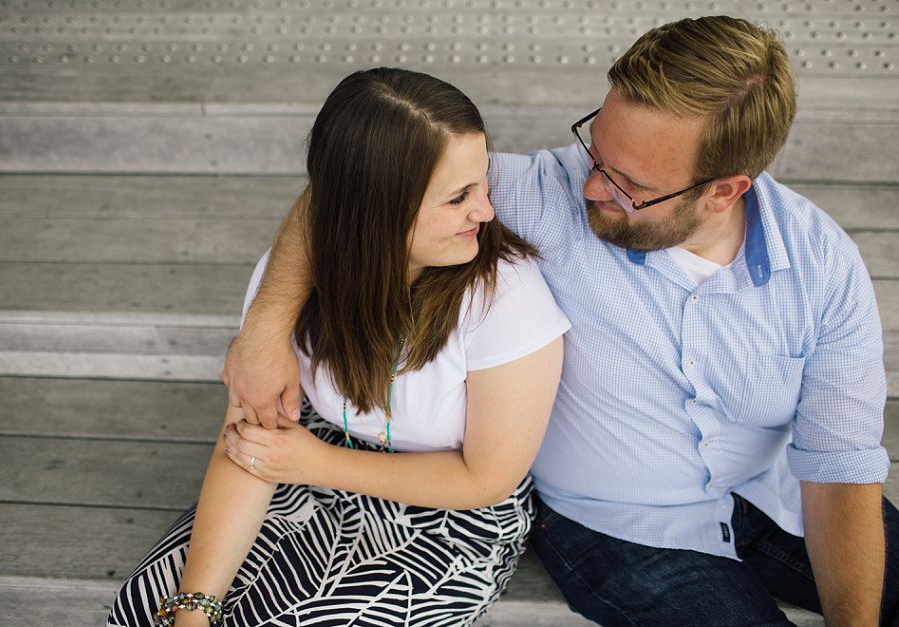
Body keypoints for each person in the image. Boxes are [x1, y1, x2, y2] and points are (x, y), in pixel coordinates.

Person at [222, 16, 898, 627]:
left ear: (724, 191)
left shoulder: (820, 266)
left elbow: (839, 471)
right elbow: (357, 191)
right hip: (621, 531)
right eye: (595, 150)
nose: (592, 186)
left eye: (628, 184)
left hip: (777, 496)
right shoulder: (545, 194)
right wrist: (264, 327)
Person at [107, 67, 569, 627]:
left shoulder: (505, 297)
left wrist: (316, 463)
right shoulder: (293, 281)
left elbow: (486, 479)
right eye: (457, 198)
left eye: (482, 184)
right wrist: (194, 608)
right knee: (146, 609)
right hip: (314, 450)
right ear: (374, 208)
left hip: (450, 508)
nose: (486, 212)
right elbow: (247, 449)